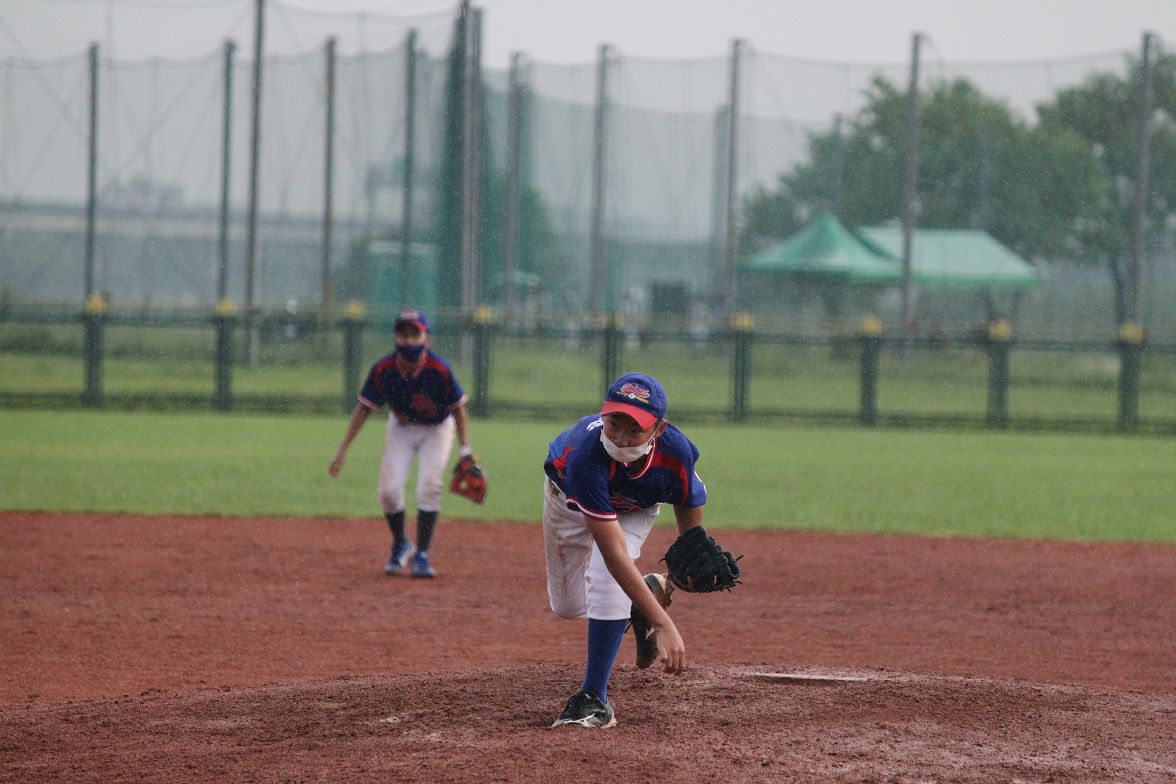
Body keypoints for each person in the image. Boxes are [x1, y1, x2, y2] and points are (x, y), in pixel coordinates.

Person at [543, 372, 707, 729]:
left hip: (635, 507)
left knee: (606, 580)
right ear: (603, 414)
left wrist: (690, 547)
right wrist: (662, 622)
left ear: (658, 430)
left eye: (635, 430)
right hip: (568, 501)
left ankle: (593, 698)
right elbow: (616, 556)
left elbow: (687, 496)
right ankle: (642, 597)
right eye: (614, 424)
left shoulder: (676, 451)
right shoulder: (586, 455)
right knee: (569, 606)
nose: (620, 437)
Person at [329, 309, 473, 579]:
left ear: (426, 339)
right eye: (402, 333)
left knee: (429, 486)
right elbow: (364, 409)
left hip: (437, 430)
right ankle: (401, 543)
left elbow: (458, 410)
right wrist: (342, 450)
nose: (408, 340)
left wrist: (466, 451)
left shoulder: (439, 369)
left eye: (414, 334)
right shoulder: (384, 369)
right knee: (388, 491)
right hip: (402, 429)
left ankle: (422, 555)